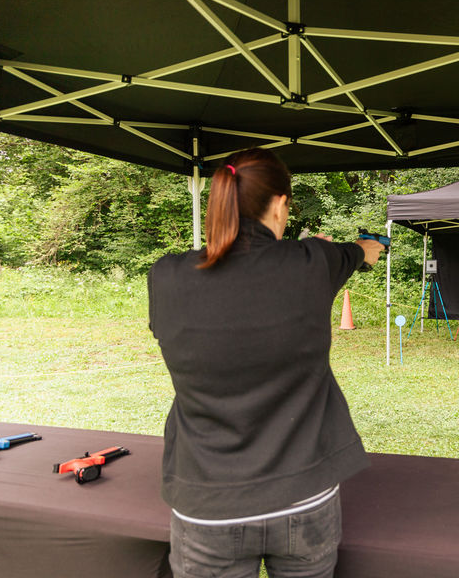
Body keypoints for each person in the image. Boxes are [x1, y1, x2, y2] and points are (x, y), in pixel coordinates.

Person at [148, 148, 385, 578]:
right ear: (279, 204)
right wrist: (359, 249)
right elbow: (361, 252)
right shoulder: (313, 262)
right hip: (304, 498)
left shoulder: (166, 276)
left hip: (206, 502)